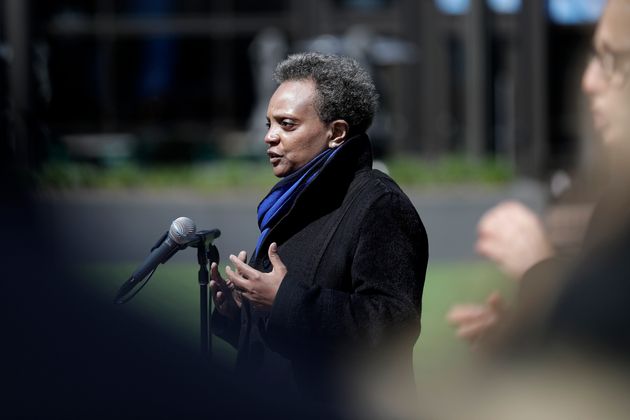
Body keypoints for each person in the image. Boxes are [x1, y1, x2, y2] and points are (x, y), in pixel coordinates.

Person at [209, 52, 428, 417]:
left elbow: (393, 327)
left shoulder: (379, 203)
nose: (269, 137)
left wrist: (284, 300)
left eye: (287, 124)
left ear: (336, 133)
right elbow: (292, 343)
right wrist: (241, 315)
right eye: (268, 124)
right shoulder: (294, 201)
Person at [447, 0, 630, 353]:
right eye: (592, 56)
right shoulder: (615, 202)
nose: (589, 82)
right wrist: (532, 328)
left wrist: (538, 269)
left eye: (612, 60)